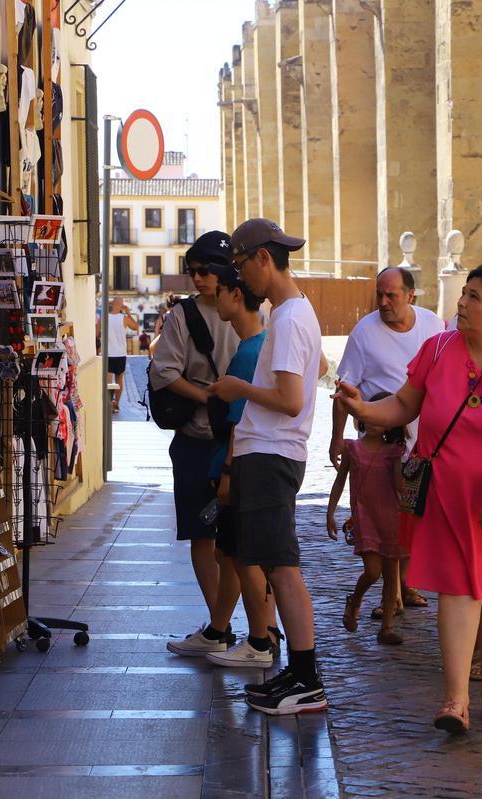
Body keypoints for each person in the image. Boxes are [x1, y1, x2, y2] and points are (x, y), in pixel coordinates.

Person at [335, 265, 482, 734]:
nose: (462, 303)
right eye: (463, 293)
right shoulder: (439, 348)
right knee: (456, 589)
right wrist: (364, 408)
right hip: (449, 492)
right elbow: (405, 406)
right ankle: (456, 699)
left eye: (474, 297)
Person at [207, 217, 327, 716]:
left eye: (240, 265)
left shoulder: (291, 317)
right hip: (269, 452)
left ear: (263, 259)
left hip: (273, 453)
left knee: (283, 566)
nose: (240, 279)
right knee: (277, 566)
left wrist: (239, 390)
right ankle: (297, 673)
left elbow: (290, 398)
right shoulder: (290, 315)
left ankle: (306, 678)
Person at [330, 266, 444, 617]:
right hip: (382, 439)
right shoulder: (365, 332)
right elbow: (344, 388)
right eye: (379, 294)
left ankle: (405, 585)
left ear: (411, 295)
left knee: (414, 514)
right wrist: (337, 437)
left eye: (391, 294)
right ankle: (390, 596)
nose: (383, 301)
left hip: (426, 439)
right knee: (391, 515)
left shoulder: (433, 325)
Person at [153, 230, 240, 655]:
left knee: (237, 542)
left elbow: (165, 371)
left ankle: (234, 629)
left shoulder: (245, 309)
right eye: (193, 271)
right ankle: (219, 627)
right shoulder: (184, 315)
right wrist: (207, 396)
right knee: (203, 538)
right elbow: (162, 373)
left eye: (205, 270)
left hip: (232, 441)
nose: (198, 278)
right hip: (198, 438)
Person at [197, 268, 285, 668]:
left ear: (236, 295)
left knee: (244, 556)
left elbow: (239, 420)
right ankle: (238, 633)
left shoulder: (252, 350)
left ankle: (260, 639)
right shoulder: (255, 344)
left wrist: (228, 473)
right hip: (238, 462)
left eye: (220, 291)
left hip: (240, 465)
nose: (213, 295)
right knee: (230, 554)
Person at [326, 391, 407, 646]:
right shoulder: (353, 448)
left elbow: (399, 485)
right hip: (366, 517)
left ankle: (387, 627)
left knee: (391, 572)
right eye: (370, 414)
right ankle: (356, 599)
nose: (373, 421)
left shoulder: (394, 451)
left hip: (391, 516)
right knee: (372, 571)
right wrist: (330, 511)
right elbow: (340, 481)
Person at [106, 297, 138, 413]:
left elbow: (98, 332)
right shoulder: (124, 318)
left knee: (108, 381)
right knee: (119, 379)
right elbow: (135, 327)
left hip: (108, 353)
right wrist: (128, 313)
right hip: (120, 353)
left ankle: (108, 403)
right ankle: (116, 404)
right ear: (120, 306)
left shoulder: (105, 318)